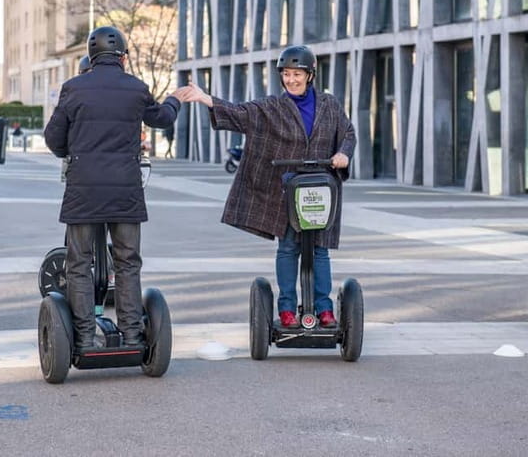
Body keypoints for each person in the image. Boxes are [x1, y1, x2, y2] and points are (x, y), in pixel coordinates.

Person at [175, 45, 356, 328]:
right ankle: (286, 309)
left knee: (320, 250)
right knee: (287, 248)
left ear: (310, 75)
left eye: (298, 74)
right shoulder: (272, 107)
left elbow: (348, 133)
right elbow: (240, 114)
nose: (292, 80)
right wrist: (206, 99)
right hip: (286, 190)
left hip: (321, 188)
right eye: (286, 74)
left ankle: (324, 309)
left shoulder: (329, 105)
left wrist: (343, 153)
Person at [44, 25, 182, 352]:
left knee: (79, 263)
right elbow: (161, 118)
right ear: (122, 56)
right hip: (125, 189)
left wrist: (75, 154)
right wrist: (176, 100)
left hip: (84, 189)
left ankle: (86, 338)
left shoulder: (73, 88)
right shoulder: (136, 88)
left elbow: (53, 139)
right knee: (128, 263)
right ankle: (133, 336)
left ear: (91, 57)